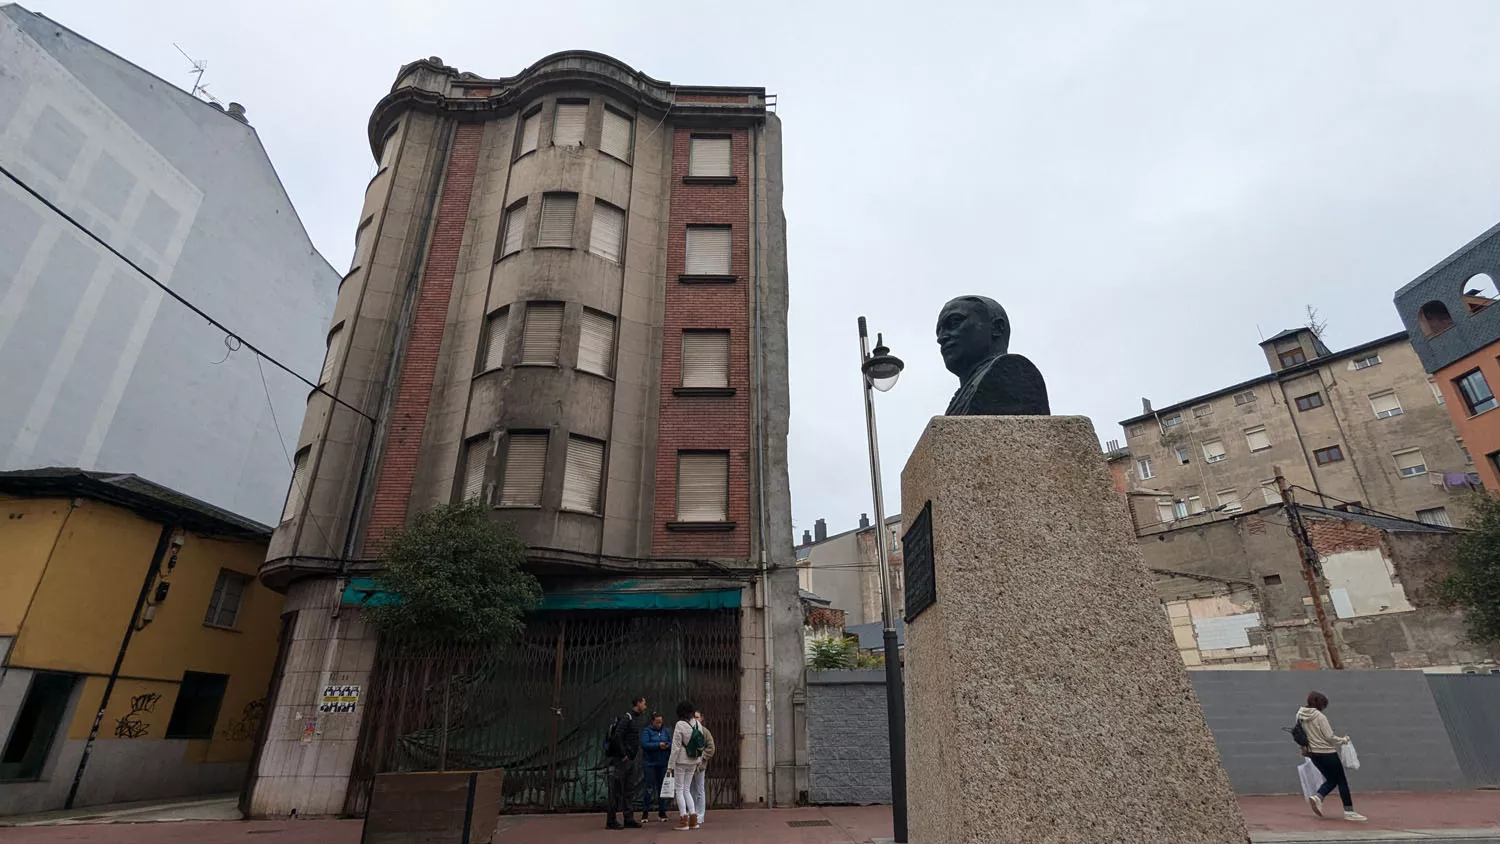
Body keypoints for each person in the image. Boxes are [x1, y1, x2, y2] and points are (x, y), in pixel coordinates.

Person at [1298, 691, 1366, 823]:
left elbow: (1299, 734)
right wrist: (1343, 740)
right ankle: (1349, 811)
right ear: (1321, 704)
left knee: (1331, 779)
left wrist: (1303, 749)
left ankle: (1319, 797)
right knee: (1341, 780)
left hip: (1312, 753)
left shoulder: (1299, 715)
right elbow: (1329, 737)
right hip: (1327, 752)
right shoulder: (1320, 717)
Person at [604, 696, 649, 830]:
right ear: (638, 703)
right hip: (622, 760)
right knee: (617, 790)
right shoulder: (627, 718)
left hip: (630, 759)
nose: (645, 706)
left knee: (629, 789)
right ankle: (611, 820)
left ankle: (628, 818)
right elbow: (617, 736)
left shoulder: (635, 719)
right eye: (644, 703)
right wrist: (623, 754)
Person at [668, 701, 703, 831]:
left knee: (679, 790)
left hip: (681, 761)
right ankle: (694, 819)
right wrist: (699, 759)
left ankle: (684, 820)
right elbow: (701, 743)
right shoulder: (698, 724)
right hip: (694, 760)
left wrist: (670, 765)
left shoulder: (680, 724)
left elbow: (676, 747)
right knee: (687, 789)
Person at [639, 712, 672, 822]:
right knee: (649, 788)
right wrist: (658, 745)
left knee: (662, 788)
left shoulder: (665, 731)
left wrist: (667, 745)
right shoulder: (646, 731)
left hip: (662, 764)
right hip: (650, 764)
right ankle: (645, 813)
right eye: (657, 722)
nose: (659, 724)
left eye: (661, 722)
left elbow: (671, 743)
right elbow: (644, 744)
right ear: (652, 721)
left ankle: (662, 812)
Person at [689, 710, 716, 826]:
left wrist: (702, 757)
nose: (695, 719)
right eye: (693, 717)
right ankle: (692, 813)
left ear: (702, 718)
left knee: (700, 790)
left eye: (697, 717)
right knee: (690, 790)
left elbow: (711, 748)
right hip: (689, 766)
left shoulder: (705, 732)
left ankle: (700, 815)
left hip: (700, 766)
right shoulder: (688, 730)